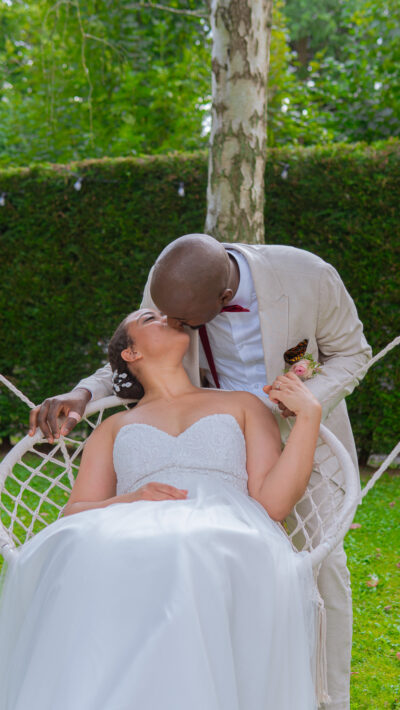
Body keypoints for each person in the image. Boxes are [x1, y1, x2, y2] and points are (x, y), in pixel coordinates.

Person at [29, 234, 372, 710]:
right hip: (210, 444)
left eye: (180, 321)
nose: (171, 323)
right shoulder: (173, 289)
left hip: (289, 433)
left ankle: (329, 700)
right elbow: (132, 352)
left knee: (323, 572)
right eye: (160, 316)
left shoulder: (307, 276)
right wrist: (85, 392)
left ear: (223, 298)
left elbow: (353, 353)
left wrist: (303, 404)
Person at [1, 308, 322, 710]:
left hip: (224, 523)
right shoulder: (113, 427)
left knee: (186, 548)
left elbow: (273, 503)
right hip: (132, 522)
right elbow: (75, 511)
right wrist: (130, 499)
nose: (168, 315)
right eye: (150, 318)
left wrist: (309, 416)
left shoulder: (243, 405)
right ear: (131, 353)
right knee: (85, 547)